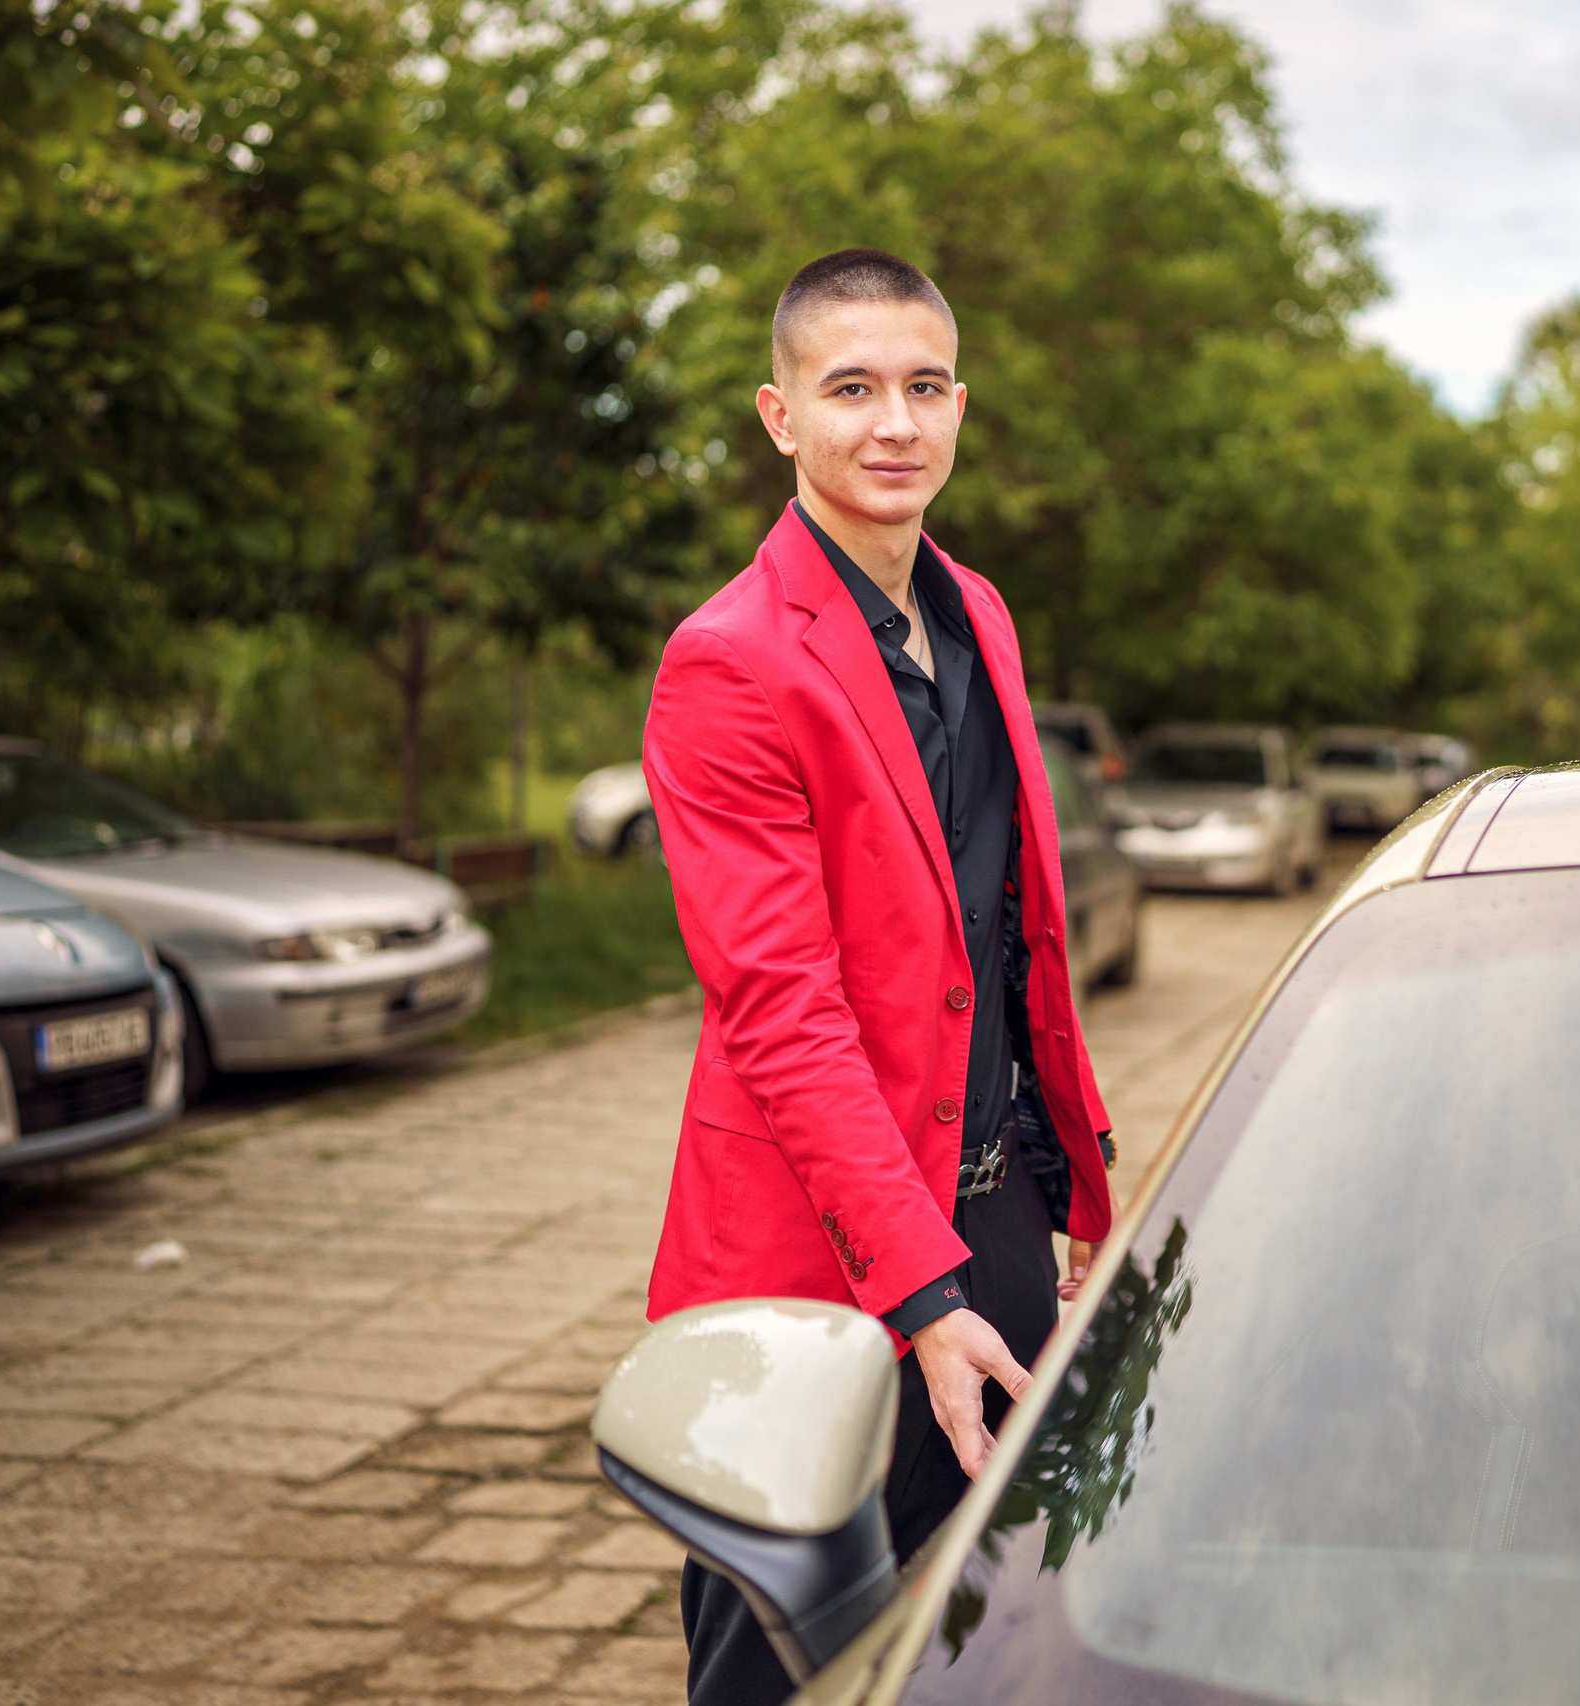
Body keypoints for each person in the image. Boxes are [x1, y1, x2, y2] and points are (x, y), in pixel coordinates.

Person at [639, 248, 1116, 1706]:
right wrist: (920, 1294)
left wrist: (1067, 1188)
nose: (892, 422)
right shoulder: (726, 664)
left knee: (980, 1634)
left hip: (1005, 1216)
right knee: (776, 1655)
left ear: (960, 405)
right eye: (851, 388)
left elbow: (1012, 938)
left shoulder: (980, 608)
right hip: (820, 1261)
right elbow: (780, 1010)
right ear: (780, 416)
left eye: (922, 386)